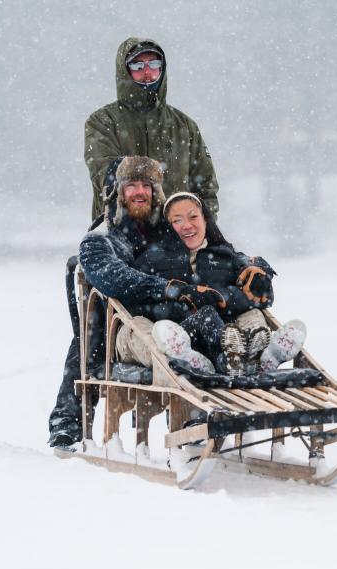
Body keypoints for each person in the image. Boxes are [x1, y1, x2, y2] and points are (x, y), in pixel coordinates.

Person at [48, 156, 223, 449]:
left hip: (178, 322)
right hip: (118, 331)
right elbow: (114, 277)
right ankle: (67, 423)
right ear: (118, 191)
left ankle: (214, 413)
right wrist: (167, 289)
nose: (140, 191)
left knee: (211, 327)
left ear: (156, 192)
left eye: (147, 185)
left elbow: (213, 252)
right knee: (88, 342)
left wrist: (249, 269)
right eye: (132, 186)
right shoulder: (100, 238)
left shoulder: (172, 230)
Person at [116, 191, 306, 377]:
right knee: (143, 325)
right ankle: (180, 358)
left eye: (193, 217)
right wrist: (181, 301)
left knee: (252, 313)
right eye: (177, 220)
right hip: (172, 333)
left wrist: (220, 297)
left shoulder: (225, 256)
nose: (187, 225)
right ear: (168, 226)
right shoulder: (152, 258)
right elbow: (135, 297)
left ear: (205, 220)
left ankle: (260, 355)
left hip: (218, 338)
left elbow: (259, 297)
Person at [85, 37, 219, 222]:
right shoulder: (102, 122)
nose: (147, 71)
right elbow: (106, 176)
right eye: (138, 66)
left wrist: (202, 229)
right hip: (119, 239)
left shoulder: (185, 126)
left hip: (176, 240)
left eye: (154, 64)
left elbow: (206, 188)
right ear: (124, 70)